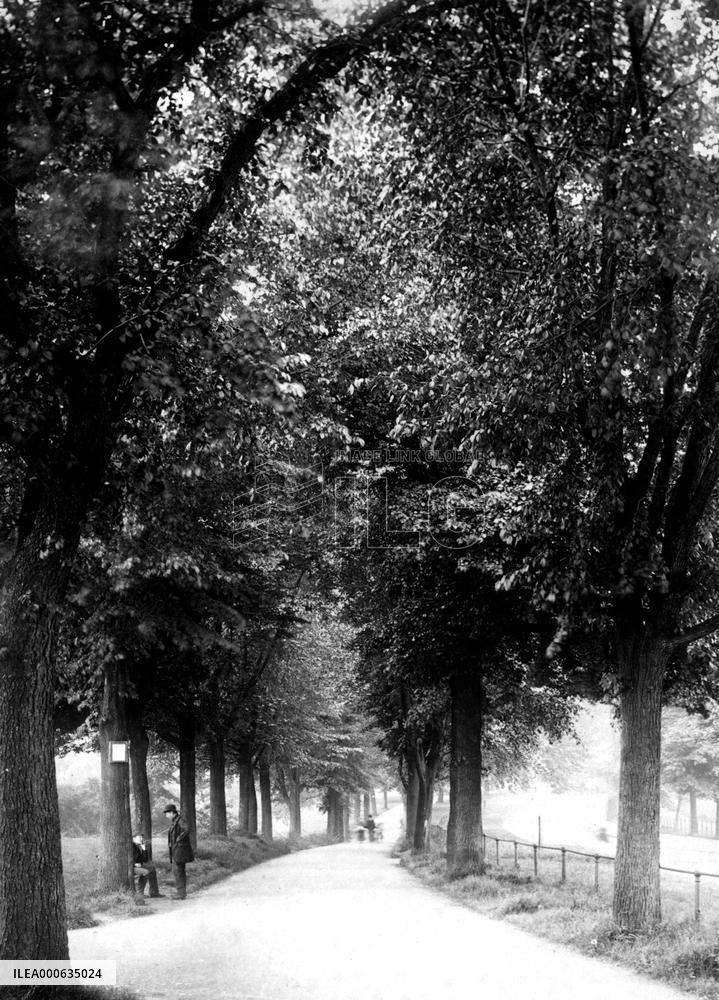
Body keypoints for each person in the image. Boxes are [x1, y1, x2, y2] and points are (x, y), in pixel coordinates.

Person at [163, 804, 194, 899]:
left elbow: (187, 829)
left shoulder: (180, 820)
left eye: (167, 813)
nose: (166, 815)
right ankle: (181, 893)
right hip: (177, 851)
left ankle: (180, 894)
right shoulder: (175, 821)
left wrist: (178, 839)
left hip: (179, 851)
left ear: (173, 812)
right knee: (178, 872)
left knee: (178, 872)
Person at [132, 833, 156, 898]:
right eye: (139, 837)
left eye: (142, 838)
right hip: (131, 867)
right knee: (145, 872)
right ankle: (140, 893)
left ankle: (154, 892)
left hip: (137, 866)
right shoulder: (131, 846)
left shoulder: (138, 846)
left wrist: (144, 849)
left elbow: (145, 860)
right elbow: (127, 858)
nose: (141, 839)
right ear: (134, 838)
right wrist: (134, 864)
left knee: (152, 869)